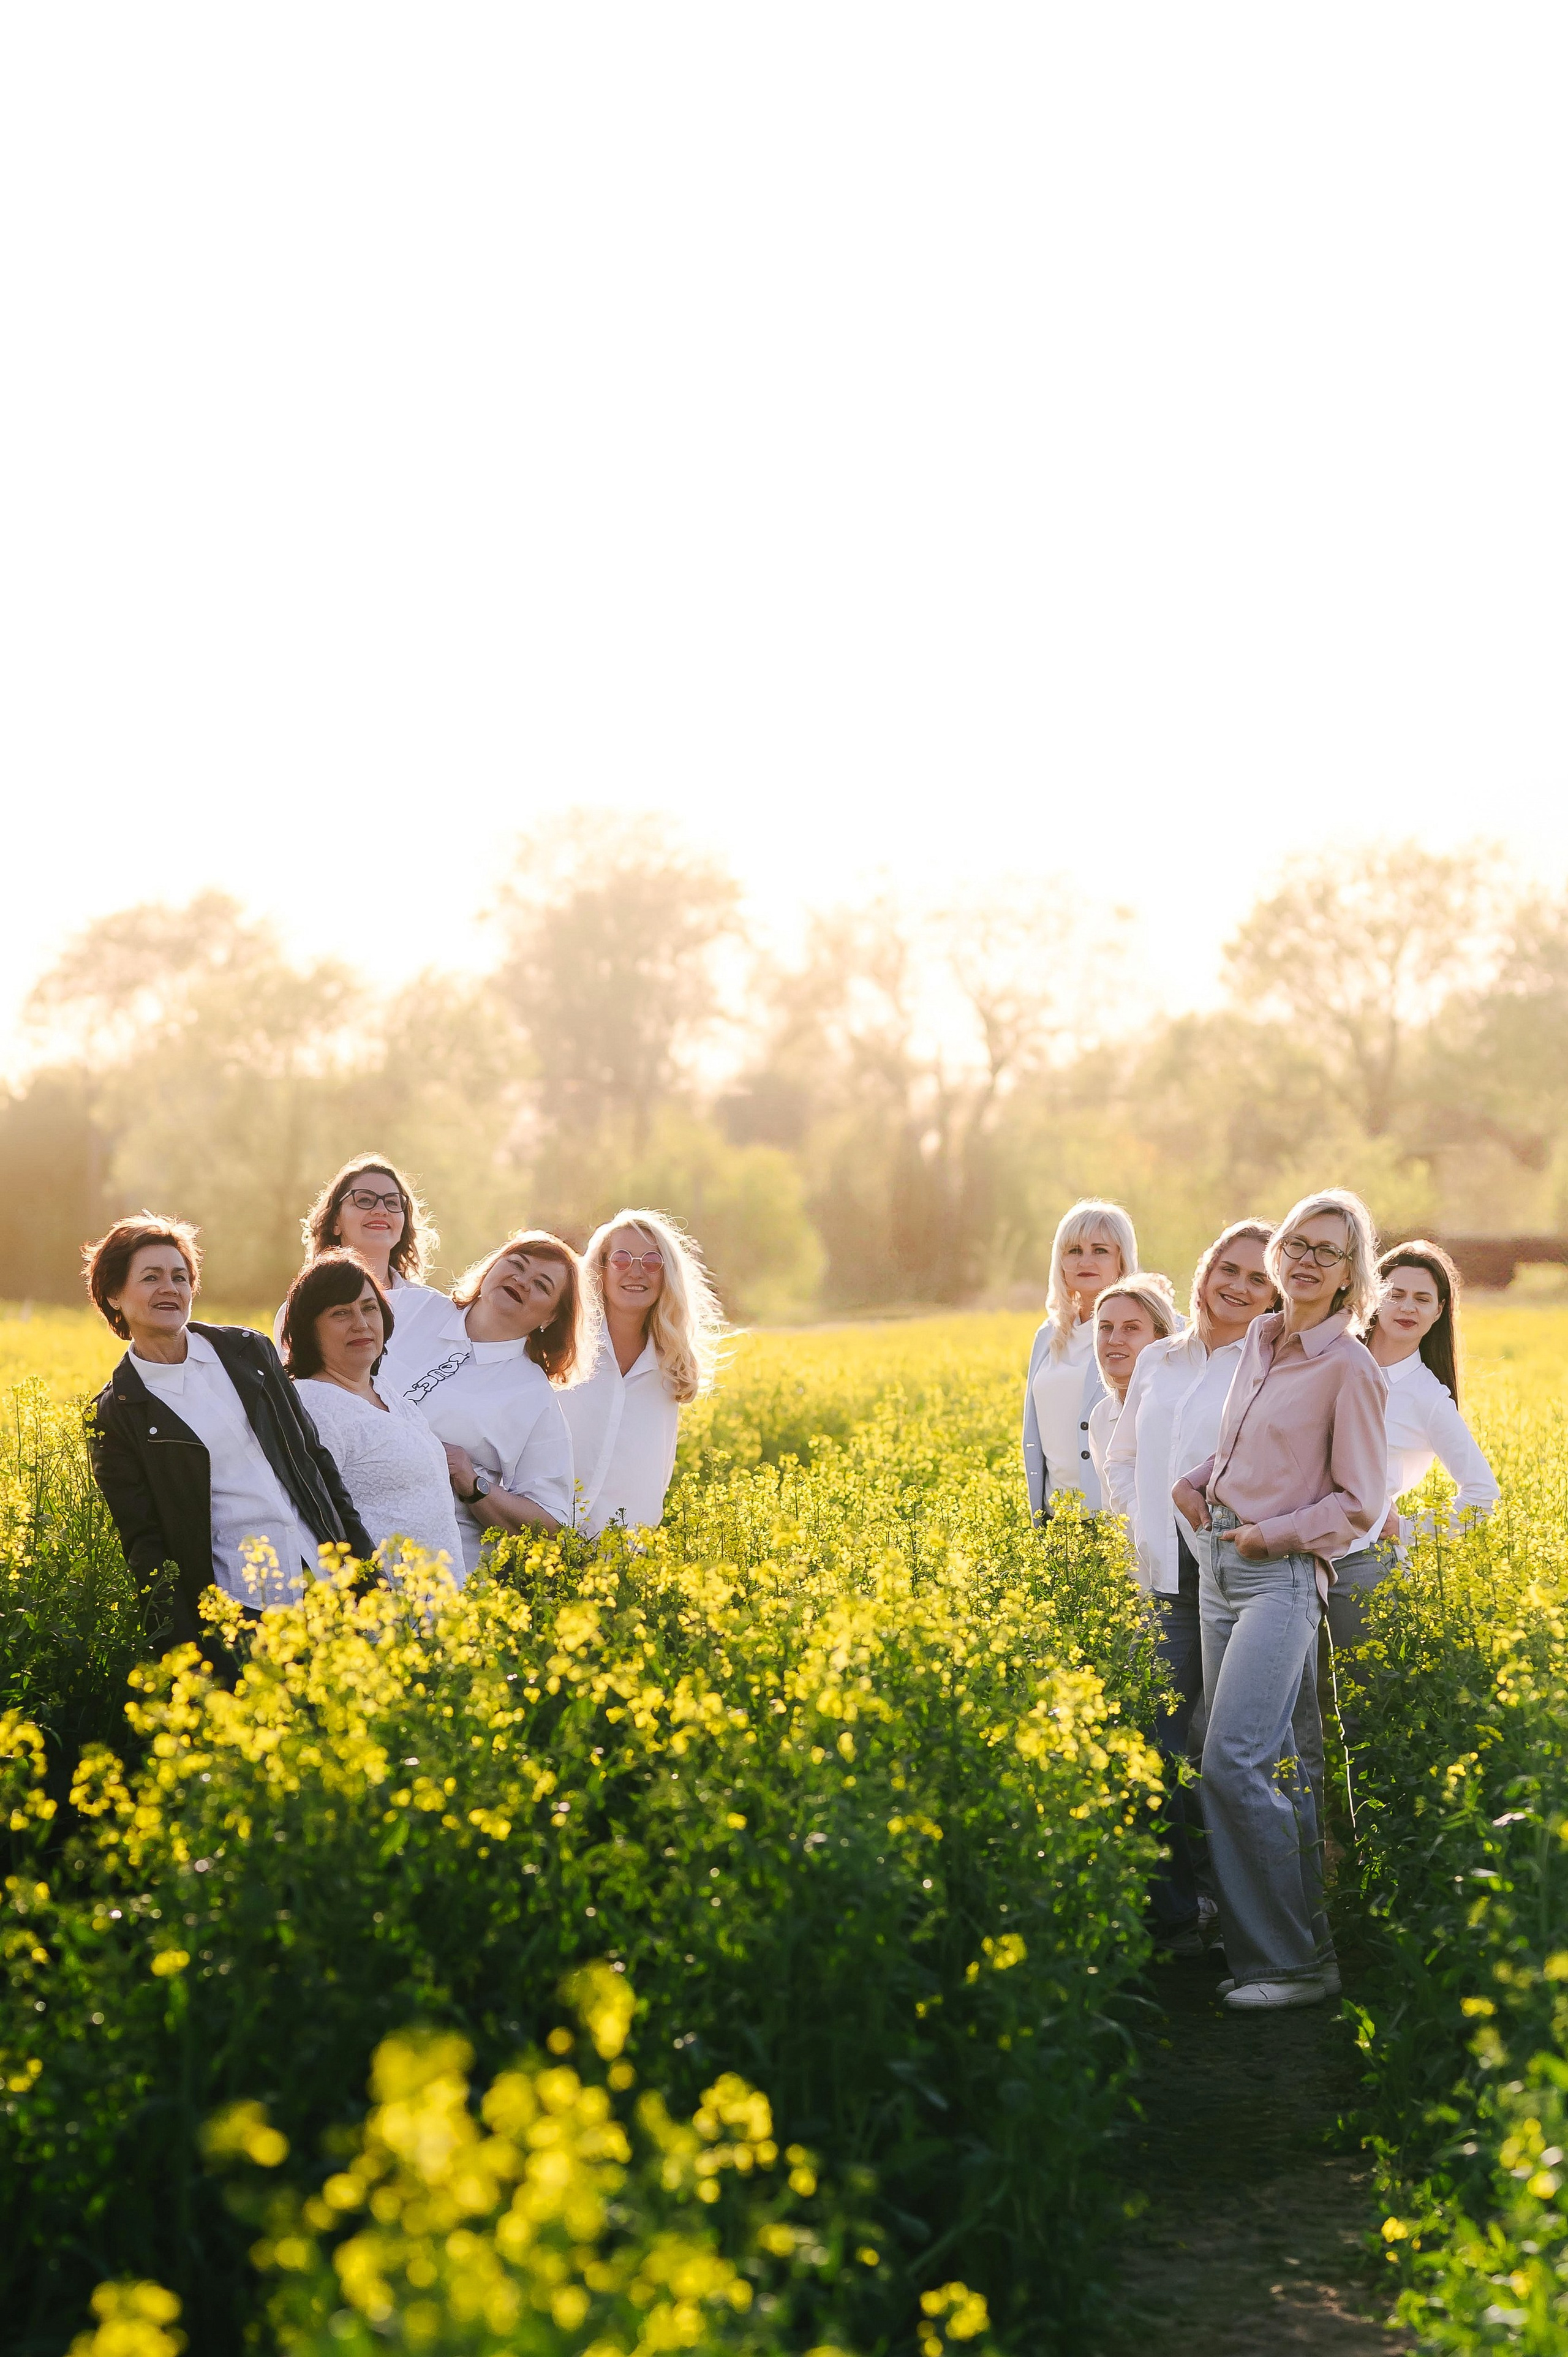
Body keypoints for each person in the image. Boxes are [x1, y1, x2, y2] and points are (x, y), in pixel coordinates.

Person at [1173, 1188, 1387, 2012]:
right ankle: (1305, 1952)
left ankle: (1286, 1967)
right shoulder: (1261, 1339)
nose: (1304, 1259)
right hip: (1222, 1566)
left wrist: (1270, 1536)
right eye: (1298, 1242)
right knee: (1271, 1769)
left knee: (1233, 1764)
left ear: (1349, 1277)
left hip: (1282, 1578)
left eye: (1327, 1252)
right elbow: (1239, 1453)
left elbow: (1358, 1501)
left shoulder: (1349, 1368)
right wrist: (1193, 1486)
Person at [1104, 1222, 1279, 1955]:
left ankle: (1253, 1921)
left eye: (1257, 1278)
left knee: (1231, 1752)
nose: (1237, 1285)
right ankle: (1177, 1912)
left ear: (1273, 1294)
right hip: (1163, 1584)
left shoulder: (1272, 1360)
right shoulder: (1156, 1360)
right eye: (1227, 1268)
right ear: (1204, 1270)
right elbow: (1122, 1453)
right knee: (1154, 1744)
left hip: (1238, 1578)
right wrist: (1138, 1525)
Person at [83, 1213, 374, 1649]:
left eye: (180, 1277)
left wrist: (368, 1573)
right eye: (151, 1277)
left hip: (326, 1573)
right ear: (114, 1295)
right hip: (244, 1608)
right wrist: (187, 1651)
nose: (170, 1288)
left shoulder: (247, 1351)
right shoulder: (119, 1413)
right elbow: (145, 1545)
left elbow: (315, 1463)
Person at [1328, 1239, 1499, 1738]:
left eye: (1422, 1299)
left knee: (1362, 1720)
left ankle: (1363, 1818)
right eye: (1395, 1293)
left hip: (1360, 1567)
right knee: (1291, 1715)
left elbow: (1482, 1496)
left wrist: (1408, 1529)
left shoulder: (1428, 1397)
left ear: (1440, 1311)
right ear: (1372, 1295)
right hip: (1285, 1553)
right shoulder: (1331, 1356)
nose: (1406, 1307)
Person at [377, 1228, 583, 1580]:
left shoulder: (534, 1398)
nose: (522, 1280)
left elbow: (550, 1527)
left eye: (542, 1285)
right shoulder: (408, 1307)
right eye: (517, 1264)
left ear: (550, 1318)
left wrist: (471, 1481)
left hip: (432, 1574)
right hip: (334, 1528)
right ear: (491, 1270)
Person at [281, 1249, 466, 1582]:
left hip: (436, 1616)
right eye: (341, 1313)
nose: (361, 1324)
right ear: (310, 1329)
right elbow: (310, 1525)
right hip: (378, 1616)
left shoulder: (386, 1391)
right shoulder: (311, 1407)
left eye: (369, 1308)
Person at [560, 1207, 725, 1539]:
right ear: (601, 1270)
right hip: (542, 1540)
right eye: (622, 1260)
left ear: (667, 1276)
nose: (637, 1272)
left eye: (652, 1262)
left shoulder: (671, 1367)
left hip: (624, 1557)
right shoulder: (563, 1347)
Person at [1022, 1199, 1139, 1520]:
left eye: (1100, 1250)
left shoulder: (1147, 1331)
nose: (1085, 1260)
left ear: (1122, 1260)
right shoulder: (1048, 1335)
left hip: (1114, 1520)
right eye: (1074, 1250)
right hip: (1056, 1519)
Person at [272, 1155, 444, 1349]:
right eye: (364, 1200)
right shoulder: (301, 1310)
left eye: (393, 1203)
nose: (381, 1210)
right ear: (335, 1222)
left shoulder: (432, 1307)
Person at [1086, 1276, 1180, 1484]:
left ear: (1161, 1338)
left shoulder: (1178, 1411)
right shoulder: (1101, 1416)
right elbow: (1111, 1504)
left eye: (1131, 1328)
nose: (1114, 1340)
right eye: (1106, 1327)